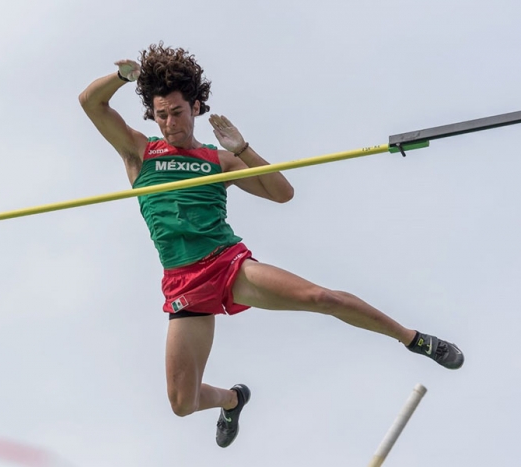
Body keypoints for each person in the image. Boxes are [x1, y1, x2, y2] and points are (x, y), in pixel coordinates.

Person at [78, 43, 464, 448]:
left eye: (177, 112)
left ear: (194, 107)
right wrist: (121, 77)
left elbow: (282, 193)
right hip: (182, 283)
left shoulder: (218, 161)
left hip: (226, 264)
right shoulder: (140, 151)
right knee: (182, 403)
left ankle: (414, 338)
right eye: (161, 115)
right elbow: (90, 102)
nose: (170, 123)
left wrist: (241, 149)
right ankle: (232, 399)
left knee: (321, 297)